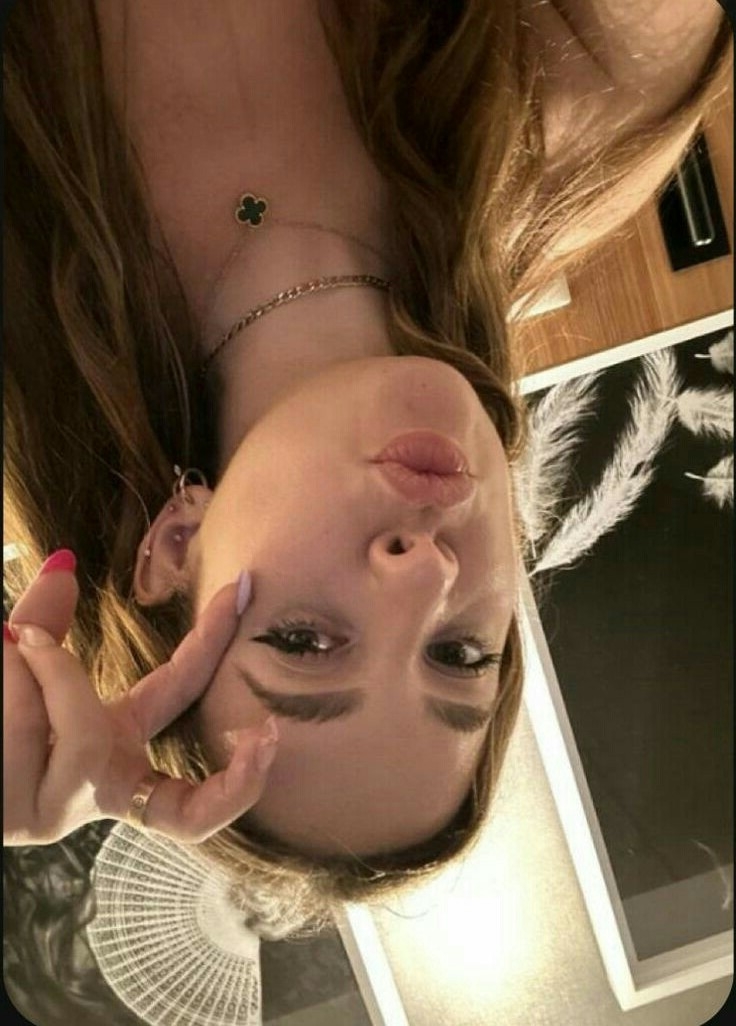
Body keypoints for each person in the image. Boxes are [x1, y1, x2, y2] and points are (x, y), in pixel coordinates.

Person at [4, 0, 731, 938]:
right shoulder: (594, 97)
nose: (426, 576)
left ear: (177, 543)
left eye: (304, 643)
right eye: (459, 655)